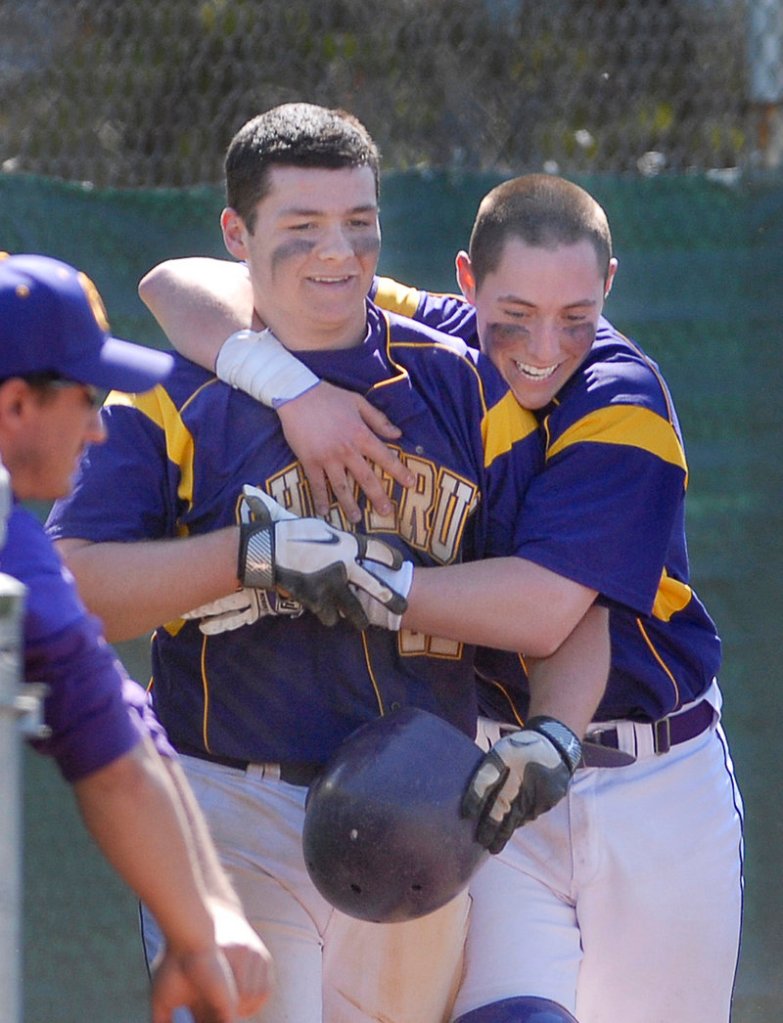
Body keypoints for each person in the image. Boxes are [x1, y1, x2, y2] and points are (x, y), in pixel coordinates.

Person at [46, 104, 611, 1023]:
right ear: (236, 233)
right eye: (301, 228)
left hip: (427, 814)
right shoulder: (172, 392)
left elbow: (568, 595)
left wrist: (553, 728)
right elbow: (72, 588)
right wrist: (246, 556)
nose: (338, 254)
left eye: (359, 223)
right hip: (236, 809)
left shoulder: (463, 383)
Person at [139, 172, 745, 1023]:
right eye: (514, 313)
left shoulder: (620, 399)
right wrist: (293, 390)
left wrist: (359, 576)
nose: (540, 345)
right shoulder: (438, 334)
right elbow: (176, 283)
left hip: (655, 779)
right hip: (497, 773)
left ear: (607, 289)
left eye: (573, 316)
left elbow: (548, 612)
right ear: (465, 282)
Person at [0, 252, 272, 1023]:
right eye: (87, 397)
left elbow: (112, 724)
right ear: (17, 404)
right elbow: (110, 755)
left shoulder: (14, 535)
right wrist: (201, 927)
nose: (97, 426)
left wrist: (207, 913)